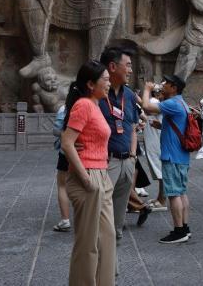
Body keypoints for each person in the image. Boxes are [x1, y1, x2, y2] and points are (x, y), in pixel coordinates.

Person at [60, 60, 115, 285]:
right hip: (88, 176)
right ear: (91, 84)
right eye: (106, 79)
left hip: (100, 173)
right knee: (88, 243)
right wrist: (85, 178)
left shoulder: (95, 104)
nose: (109, 83)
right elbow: (67, 141)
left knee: (107, 237)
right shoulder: (83, 105)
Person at [98, 47, 146, 240]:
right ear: (112, 67)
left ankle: (112, 262)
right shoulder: (97, 93)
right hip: (105, 163)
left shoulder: (128, 95)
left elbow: (132, 126)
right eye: (127, 65)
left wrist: (133, 156)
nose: (131, 70)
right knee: (101, 218)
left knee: (118, 223)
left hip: (127, 162)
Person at [141, 74, 192, 243]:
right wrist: (162, 126)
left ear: (174, 88)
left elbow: (147, 107)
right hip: (182, 155)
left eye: (167, 83)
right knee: (181, 192)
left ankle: (178, 231)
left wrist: (147, 89)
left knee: (173, 194)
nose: (163, 85)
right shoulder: (181, 103)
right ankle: (185, 228)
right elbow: (179, 125)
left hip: (172, 155)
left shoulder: (172, 103)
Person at [141, 86, 167, 212]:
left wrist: (140, 96)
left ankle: (162, 200)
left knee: (160, 168)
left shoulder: (155, 102)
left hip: (156, 140)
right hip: (154, 138)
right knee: (158, 167)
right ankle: (160, 197)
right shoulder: (157, 102)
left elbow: (147, 109)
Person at [53, 104, 71, 232]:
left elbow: (56, 130)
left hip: (66, 152)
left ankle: (65, 220)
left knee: (62, 185)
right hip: (87, 153)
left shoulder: (65, 108)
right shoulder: (94, 105)